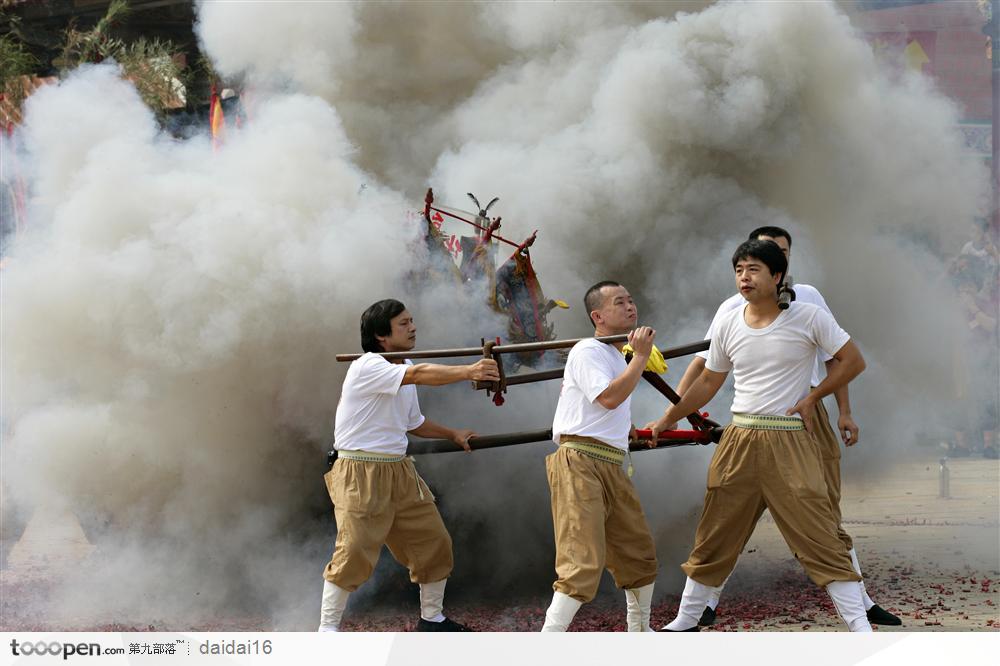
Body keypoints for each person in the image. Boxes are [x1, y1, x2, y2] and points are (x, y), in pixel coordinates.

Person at [670, 226, 899, 627]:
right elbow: (707, 373)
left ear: (780, 270)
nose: (744, 276)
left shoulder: (808, 306)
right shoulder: (728, 316)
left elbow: (843, 361)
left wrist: (829, 404)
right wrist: (669, 415)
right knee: (718, 527)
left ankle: (861, 618)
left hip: (799, 424)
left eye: (755, 267)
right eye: (739, 267)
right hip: (741, 436)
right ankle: (688, 619)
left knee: (820, 521)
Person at [318, 298, 500, 632]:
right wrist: (468, 370)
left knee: (433, 543)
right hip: (361, 471)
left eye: (412, 320)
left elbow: (412, 422)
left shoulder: (403, 367)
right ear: (381, 336)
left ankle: (432, 620)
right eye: (404, 323)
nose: (413, 327)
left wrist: (453, 434)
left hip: (400, 470)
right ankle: (327, 632)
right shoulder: (368, 366)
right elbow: (419, 374)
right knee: (355, 549)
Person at [541, 281, 660, 632]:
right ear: (598, 316)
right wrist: (640, 356)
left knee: (637, 552)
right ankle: (546, 643)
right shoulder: (588, 350)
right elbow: (608, 398)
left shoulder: (612, 353)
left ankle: (639, 633)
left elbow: (608, 408)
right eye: (619, 302)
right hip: (579, 462)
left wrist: (627, 428)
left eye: (631, 299)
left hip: (610, 461)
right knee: (581, 561)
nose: (630, 306)